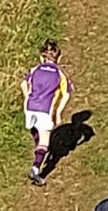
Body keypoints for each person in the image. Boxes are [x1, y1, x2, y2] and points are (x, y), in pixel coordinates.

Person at [20, 41, 73, 186]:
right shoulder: (59, 74)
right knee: (45, 142)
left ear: (41, 57)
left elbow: (23, 84)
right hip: (45, 110)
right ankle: (36, 169)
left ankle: (38, 151)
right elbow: (67, 94)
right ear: (59, 58)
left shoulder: (35, 69)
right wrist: (58, 112)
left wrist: (27, 97)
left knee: (36, 132)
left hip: (30, 106)